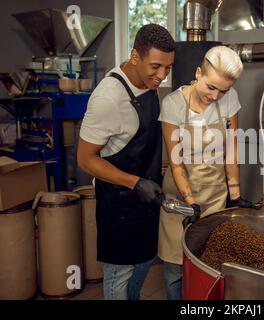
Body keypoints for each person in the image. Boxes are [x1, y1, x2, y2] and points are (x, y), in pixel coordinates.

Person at [77, 24, 175, 300]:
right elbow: (85, 159)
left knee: (143, 263)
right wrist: (135, 182)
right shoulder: (108, 98)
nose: (162, 76)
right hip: (120, 202)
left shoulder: (149, 84)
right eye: (156, 66)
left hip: (146, 197)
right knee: (119, 275)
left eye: (168, 68)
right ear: (135, 57)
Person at [158, 45, 260, 300]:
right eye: (211, 87)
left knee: (211, 261)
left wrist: (234, 194)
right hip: (180, 199)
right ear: (198, 73)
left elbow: (231, 149)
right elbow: (176, 161)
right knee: (175, 268)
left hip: (215, 197)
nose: (216, 96)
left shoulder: (228, 99)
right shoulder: (172, 105)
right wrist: (190, 203)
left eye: (223, 90)